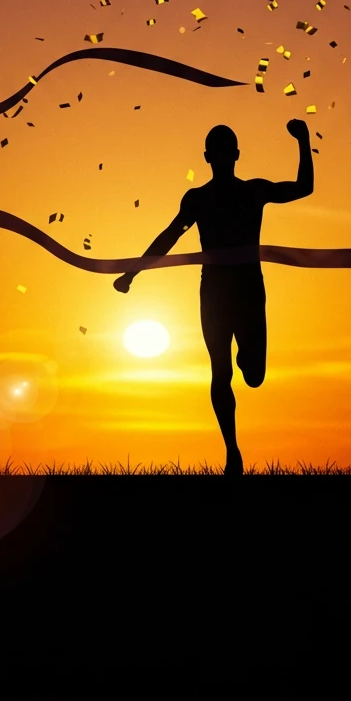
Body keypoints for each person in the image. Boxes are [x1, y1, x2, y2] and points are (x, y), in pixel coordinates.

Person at [113, 119, 313, 475]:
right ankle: (232, 452)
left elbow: (302, 188)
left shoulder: (253, 191)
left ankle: (246, 359)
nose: (221, 157)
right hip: (215, 293)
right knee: (220, 371)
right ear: (209, 158)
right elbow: (169, 237)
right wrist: (133, 273)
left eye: (225, 152)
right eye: (217, 153)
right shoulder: (198, 199)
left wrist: (303, 140)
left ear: (234, 156)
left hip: (248, 291)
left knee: (253, 375)